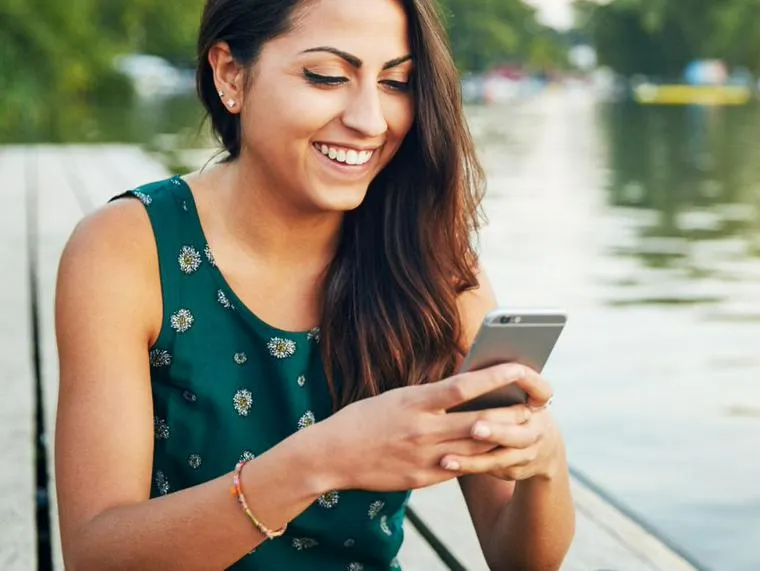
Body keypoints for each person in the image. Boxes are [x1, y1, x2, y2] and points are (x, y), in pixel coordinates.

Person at [51, 0, 575, 569]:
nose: (371, 120)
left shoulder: (427, 258)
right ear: (230, 74)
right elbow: (96, 553)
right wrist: (321, 460)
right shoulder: (128, 247)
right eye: (326, 77)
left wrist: (544, 461)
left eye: (397, 82)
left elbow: (520, 560)